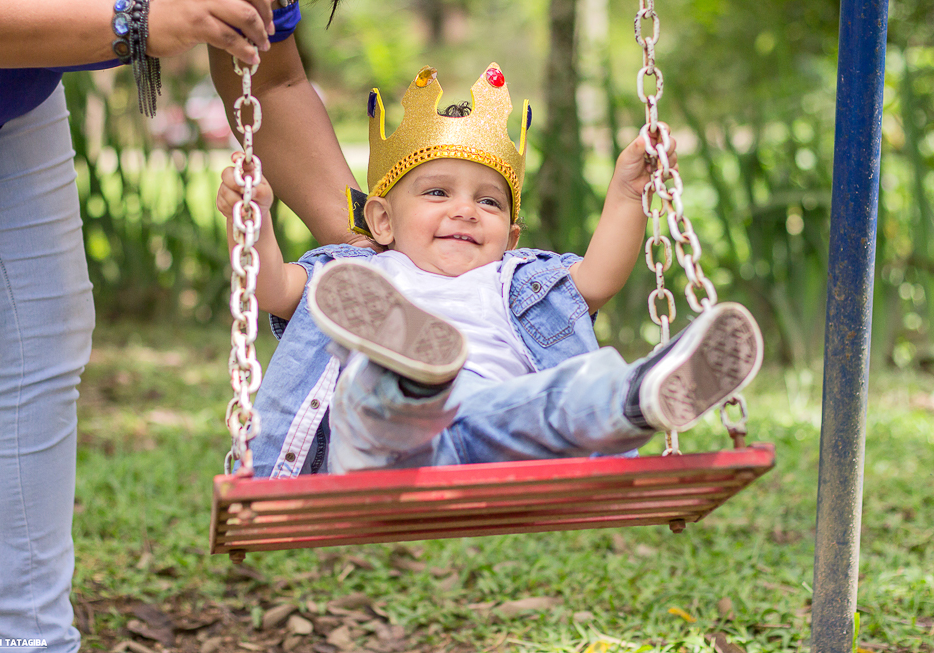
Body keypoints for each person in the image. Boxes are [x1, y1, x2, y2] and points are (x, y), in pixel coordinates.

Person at [0, 1, 363, 651]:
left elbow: (275, 83)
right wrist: (134, 23)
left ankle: (24, 640)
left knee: (37, 338)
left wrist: (383, 250)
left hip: (3, 97)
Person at [216, 62, 764, 477]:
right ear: (381, 220)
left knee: (553, 401)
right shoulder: (357, 278)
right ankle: (413, 377)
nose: (465, 211)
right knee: (372, 389)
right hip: (373, 452)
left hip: (488, 438)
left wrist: (626, 191)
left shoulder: (513, 282)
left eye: (489, 204)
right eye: (437, 193)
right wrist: (252, 218)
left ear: (511, 236)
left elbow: (597, 278)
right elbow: (271, 286)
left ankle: (635, 396)